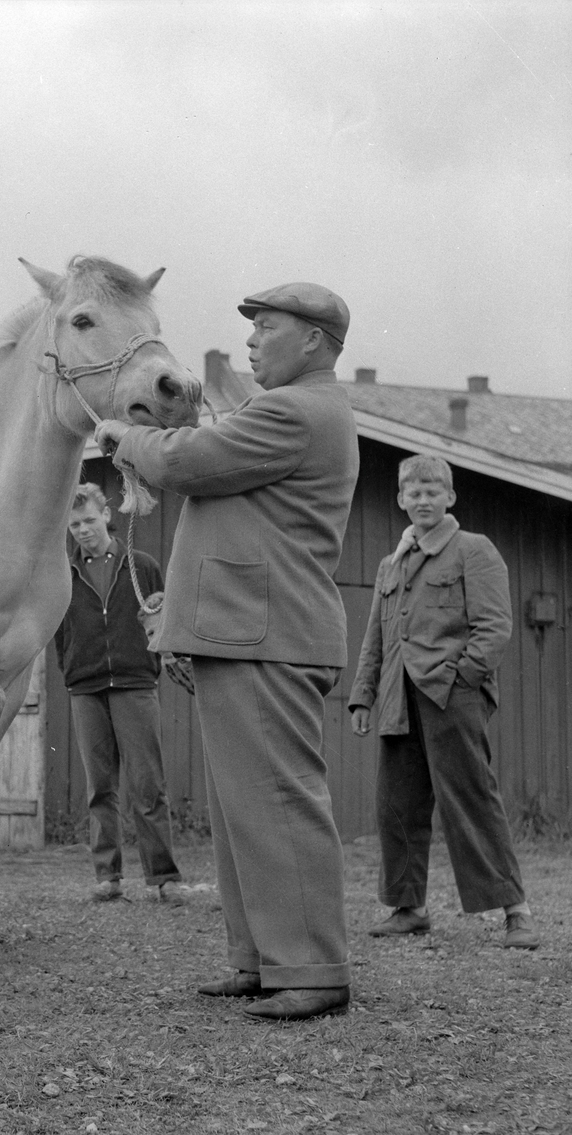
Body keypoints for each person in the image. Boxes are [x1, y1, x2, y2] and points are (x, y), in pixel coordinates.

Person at [95, 283, 358, 1021]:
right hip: (246, 631)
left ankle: (311, 968)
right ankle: (264, 960)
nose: (249, 341)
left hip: (266, 635)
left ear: (311, 340)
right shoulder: (293, 409)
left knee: (276, 802)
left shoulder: (295, 410)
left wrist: (125, 436)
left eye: (265, 328)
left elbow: (190, 460)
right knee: (246, 808)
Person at [349, 455, 539, 949]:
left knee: (471, 798)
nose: (423, 500)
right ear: (401, 500)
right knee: (396, 804)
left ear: (450, 497)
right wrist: (363, 696)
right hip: (397, 698)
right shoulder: (392, 564)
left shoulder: (473, 550)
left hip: (450, 696)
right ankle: (409, 908)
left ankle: (515, 911)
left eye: (433, 491)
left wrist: (463, 680)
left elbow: (494, 626)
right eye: (413, 493)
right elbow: (376, 636)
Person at [53, 483, 184, 903]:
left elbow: (161, 620)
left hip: (134, 685)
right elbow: (57, 631)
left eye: (89, 520)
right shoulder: (62, 573)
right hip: (85, 688)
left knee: (148, 786)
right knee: (100, 788)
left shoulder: (141, 566)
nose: (82, 530)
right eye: (74, 524)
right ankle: (107, 877)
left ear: (106, 516)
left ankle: (163, 878)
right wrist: (72, 666)